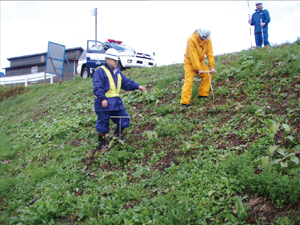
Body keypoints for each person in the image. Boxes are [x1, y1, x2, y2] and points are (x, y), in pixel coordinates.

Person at [93, 48, 147, 150]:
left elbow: (126, 82)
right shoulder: (100, 71)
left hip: (115, 104)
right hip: (103, 105)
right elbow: (97, 86)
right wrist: (102, 98)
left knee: (124, 119)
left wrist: (137, 86)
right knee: (102, 124)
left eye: (116, 60)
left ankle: (116, 137)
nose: (116, 62)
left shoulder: (117, 72)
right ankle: (102, 144)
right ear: (108, 59)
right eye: (114, 60)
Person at [180, 26, 217, 107]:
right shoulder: (191, 39)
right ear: (199, 33)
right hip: (189, 63)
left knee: (208, 75)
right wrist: (198, 69)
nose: (204, 39)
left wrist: (212, 67)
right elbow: (193, 56)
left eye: (205, 37)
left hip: (200, 62)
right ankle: (185, 101)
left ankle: (203, 94)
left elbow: (210, 53)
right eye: (203, 37)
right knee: (189, 81)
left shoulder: (208, 40)